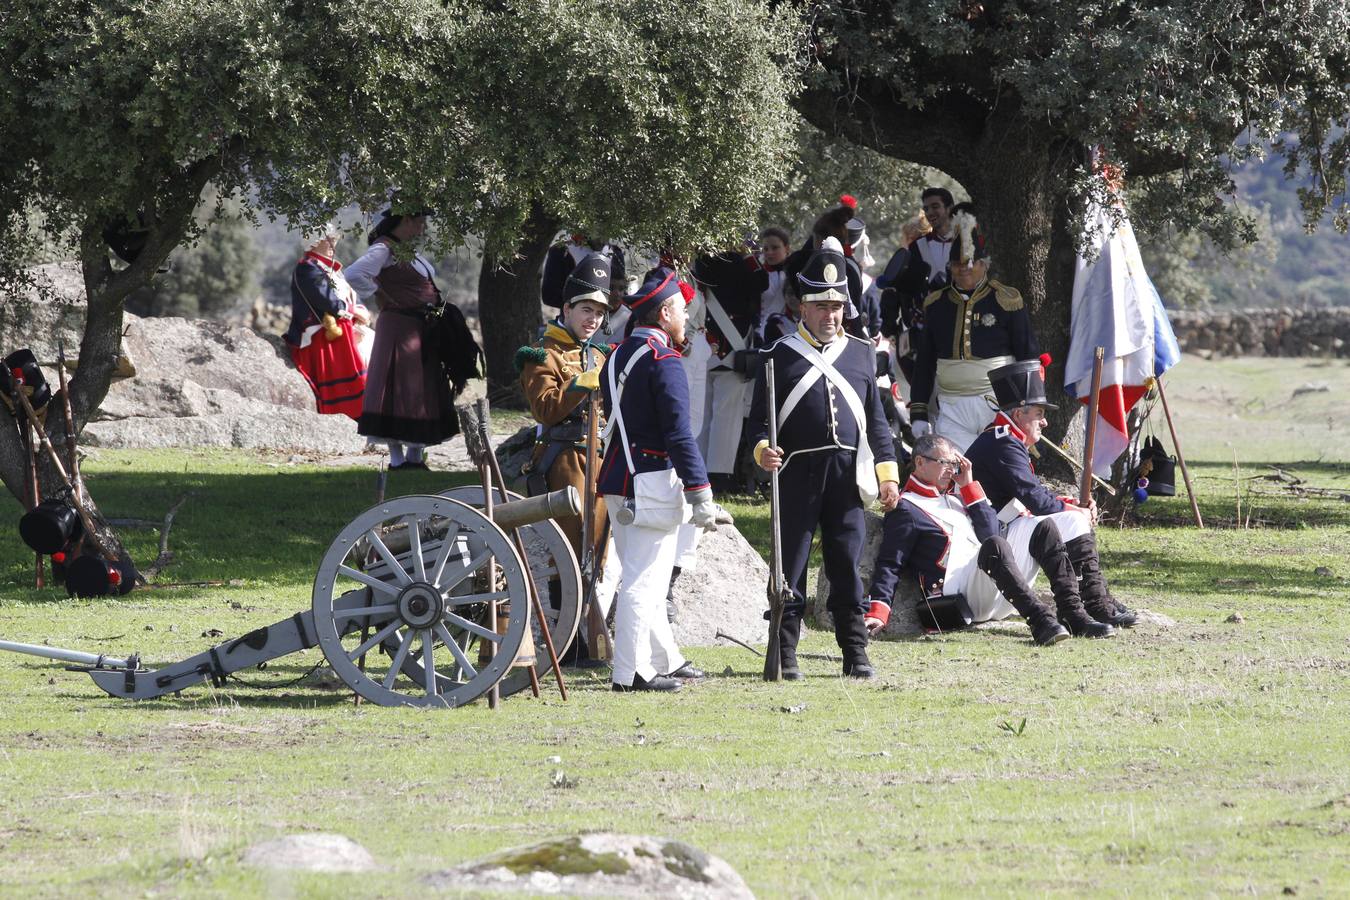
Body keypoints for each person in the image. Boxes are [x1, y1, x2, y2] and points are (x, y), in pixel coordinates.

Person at [751, 237, 901, 680]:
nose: (830, 315)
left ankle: (855, 652)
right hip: (796, 474)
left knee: (846, 566)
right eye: (821, 307)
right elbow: (758, 425)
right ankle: (785, 652)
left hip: (846, 476)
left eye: (836, 307)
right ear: (803, 308)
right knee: (790, 567)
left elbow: (877, 423)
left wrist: (888, 475)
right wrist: (763, 451)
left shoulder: (861, 353)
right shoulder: (777, 355)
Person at [598, 266, 719, 693]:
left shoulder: (618, 354)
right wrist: (700, 491)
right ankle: (630, 673)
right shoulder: (663, 360)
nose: (686, 317)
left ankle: (664, 658)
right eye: (682, 310)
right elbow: (679, 434)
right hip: (649, 481)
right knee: (643, 582)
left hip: (618, 477)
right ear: (665, 313)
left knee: (644, 572)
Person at [866, 433, 1109, 644]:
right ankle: (1041, 621)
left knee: (1043, 527)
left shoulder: (955, 498)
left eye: (954, 463)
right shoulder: (906, 507)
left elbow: (990, 532)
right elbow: (890, 563)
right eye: (945, 463)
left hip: (992, 584)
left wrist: (969, 486)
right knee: (996, 545)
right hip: (957, 599)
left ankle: (1073, 614)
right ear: (920, 462)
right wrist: (878, 611)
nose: (952, 470)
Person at [966, 359, 1138, 631]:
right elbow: (1035, 500)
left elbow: (1030, 495)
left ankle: (1094, 600)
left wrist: (1071, 505)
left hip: (1003, 529)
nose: (1045, 422)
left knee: (1072, 519)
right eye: (1039, 414)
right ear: (1019, 413)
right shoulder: (1003, 443)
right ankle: (1087, 605)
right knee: (1072, 520)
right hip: (987, 544)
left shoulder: (1006, 439)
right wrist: (1075, 511)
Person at [515, 252, 617, 659]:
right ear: (567, 309)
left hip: (600, 460)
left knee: (597, 554)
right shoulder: (541, 353)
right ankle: (568, 645)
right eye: (586, 310)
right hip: (564, 462)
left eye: (599, 312)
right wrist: (579, 386)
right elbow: (545, 408)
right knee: (569, 557)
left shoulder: (599, 354)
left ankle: (589, 642)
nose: (593, 319)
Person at [909, 209, 1040, 452]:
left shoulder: (1005, 299)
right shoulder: (936, 304)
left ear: (983, 264)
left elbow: (1027, 354)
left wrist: (1031, 406)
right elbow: (924, 361)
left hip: (998, 401)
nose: (963, 269)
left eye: (970, 263)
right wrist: (918, 410)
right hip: (952, 405)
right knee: (955, 466)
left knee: (1001, 464)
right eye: (957, 264)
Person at [345, 206, 458, 469]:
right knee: (396, 386)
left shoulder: (406, 250)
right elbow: (353, 274)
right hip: (399, 326)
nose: (423, 227)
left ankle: (415, 457)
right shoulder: (383, 249)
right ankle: (397, 459)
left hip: (420, 328)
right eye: (420, 221)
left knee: (419, 387)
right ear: (407, 219)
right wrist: (378, 292)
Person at [284, 222, 372, 420]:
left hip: (342, 326)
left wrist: (360, 310)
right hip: (320, 333)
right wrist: (352, 312)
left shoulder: (330, 269)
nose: (334, 244)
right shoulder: (307, 268)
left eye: (334, 240)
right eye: (329, 240)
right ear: (315, 242)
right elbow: (327, 301)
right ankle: (355, 412)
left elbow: (351, 296)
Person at [692, 249, 761, 490]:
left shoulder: (699, 261)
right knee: (726, 416)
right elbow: (760, 283)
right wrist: (749, 254)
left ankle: (699, 472)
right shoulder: (738, 261)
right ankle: (719, 476)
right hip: (733, 346)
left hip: (706, 346)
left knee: (702, 415)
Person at [540, 233, 627, 311]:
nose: (603, 240)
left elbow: (621, 290)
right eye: (600, 229)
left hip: (612, 319)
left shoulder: (615, 252)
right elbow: (550, 296)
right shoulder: (561, 251)